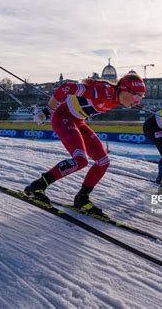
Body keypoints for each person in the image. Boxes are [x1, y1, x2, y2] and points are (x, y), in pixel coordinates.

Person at [25, 73, 146, 216]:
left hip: (78, 120)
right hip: (63, 117)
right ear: (125, 90)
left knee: (103, 161)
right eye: (137, 96)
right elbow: (66, 87)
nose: (138, 101)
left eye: (141, 97)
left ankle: (82, 198)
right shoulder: (103, 93)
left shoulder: (115, 97)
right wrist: (47, 111)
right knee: (80, 160)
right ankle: (38, 185)